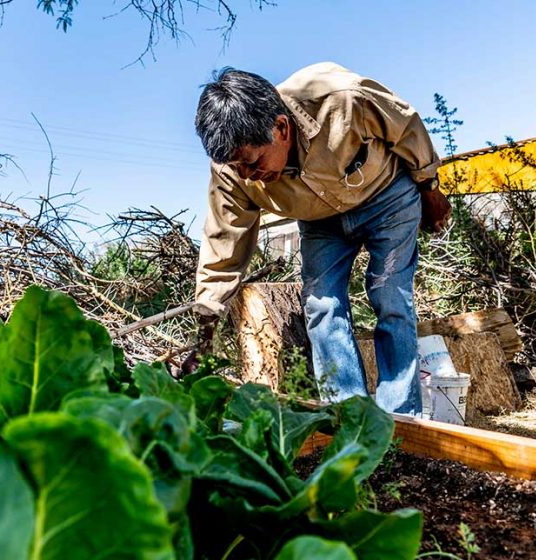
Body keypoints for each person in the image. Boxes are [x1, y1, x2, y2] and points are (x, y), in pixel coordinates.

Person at [184, 62, 451, 415]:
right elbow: (223, 245)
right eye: (237, 168)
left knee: (390, 294)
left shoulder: (340, 97)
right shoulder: (231, 172)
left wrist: (430, 189)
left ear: (280, 128)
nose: (249, 177)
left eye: (253, 162)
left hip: (386, 197)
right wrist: (204, 332)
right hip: (319, 221)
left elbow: (407, 130)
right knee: (322, 306)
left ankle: (401, 418)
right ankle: (348, 417)